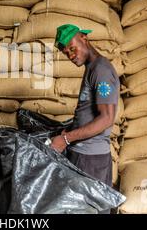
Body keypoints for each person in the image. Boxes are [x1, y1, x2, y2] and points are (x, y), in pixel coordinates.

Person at [51, 24, 120, 213]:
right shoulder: (92, 68)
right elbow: (88, 112)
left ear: (84, 38)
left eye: (72, 48)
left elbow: (106, 118)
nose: (71, 55)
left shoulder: (101, 71)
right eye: (66, 53)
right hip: (84, 155)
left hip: (90, 159)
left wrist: (66, 139)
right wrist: (69, 131)